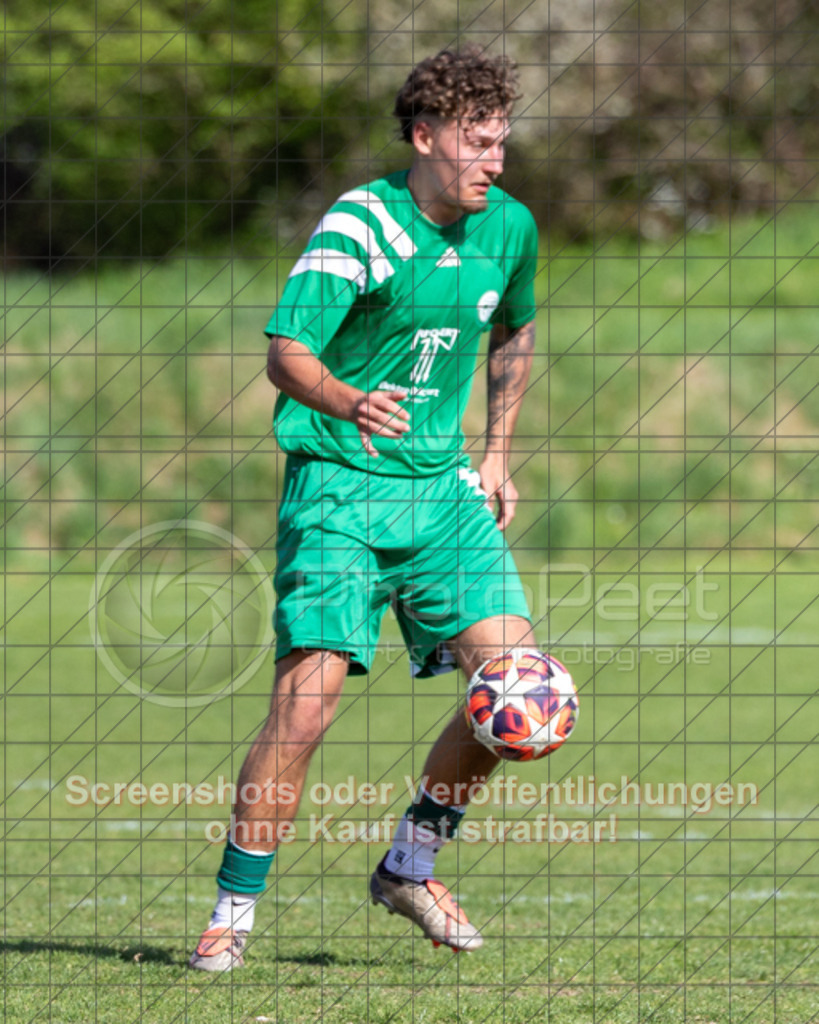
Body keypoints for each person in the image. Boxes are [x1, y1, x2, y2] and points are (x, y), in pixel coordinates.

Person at [190, 45, 541, 971]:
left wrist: (498, 452)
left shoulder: (508, 227)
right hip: (340, 488)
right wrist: (347, 399)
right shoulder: (362, 223)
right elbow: (285, 350)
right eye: (477, 144)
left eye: (501, 143)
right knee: (304, 715)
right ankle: (233, 911)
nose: (493, 162)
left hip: (443, 497)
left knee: (518, 699)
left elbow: (515, 328)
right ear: (424, 138)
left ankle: (409, 866)